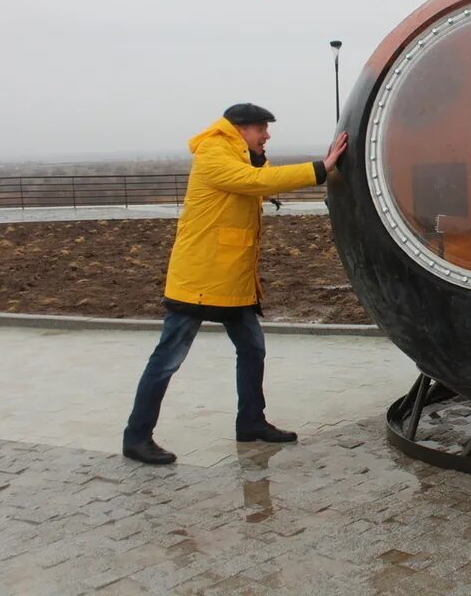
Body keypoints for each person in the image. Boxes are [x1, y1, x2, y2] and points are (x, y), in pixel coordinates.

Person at [122, 103, 349, 465]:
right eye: (261, 128)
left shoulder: (238, 156)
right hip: (199, 278)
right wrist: (322, 168)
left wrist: (261, 161)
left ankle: (251, 422)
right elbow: (254, 183)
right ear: (240, 129)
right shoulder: (213, 153)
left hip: (231, 280)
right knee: (167, 359)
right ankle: (136, 437)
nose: (267, 135)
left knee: (252, 349)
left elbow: (257, 181)